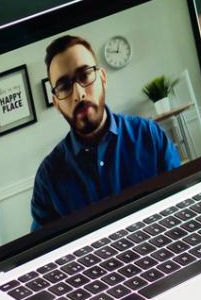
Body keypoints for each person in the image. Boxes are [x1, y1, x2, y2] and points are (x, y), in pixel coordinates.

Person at [29, 34, 182, 229]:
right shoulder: (48, 178)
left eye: (84, 75)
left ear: (102, 78)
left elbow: (181, 203)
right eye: (65, 86)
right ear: (57, 103)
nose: (79, 94)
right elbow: (43, 251)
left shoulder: (148, 135)